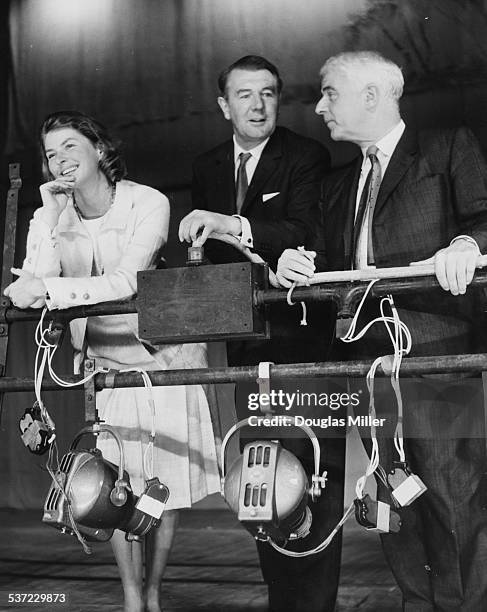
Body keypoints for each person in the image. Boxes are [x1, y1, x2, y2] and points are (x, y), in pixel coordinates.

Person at [277, 51, 487, 611]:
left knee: (453, 495)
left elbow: (483, 219)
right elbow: (318, 254)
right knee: (392, 496)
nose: (319, 107)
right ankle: (416, 604)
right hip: (367, 363)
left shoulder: (445, 148)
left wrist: (469, 246)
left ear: (371, 95)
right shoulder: (338, 182)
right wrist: (294, 262)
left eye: (328, 92)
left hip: (436, 354)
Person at [4, 111, 222, 612]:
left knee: (160, 489)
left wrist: (48, 289)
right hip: (105, 367)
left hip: (164, 360)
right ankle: (130, 596)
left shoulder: (148, 202)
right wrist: (47, 215)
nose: (59, 159)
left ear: (99, 150)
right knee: (114, 487)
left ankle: (153, 591)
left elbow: (128, 281)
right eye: (50, 152)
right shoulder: (58, 214)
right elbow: (32, 282)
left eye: (69, 146)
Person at [179, 56, 345, 612]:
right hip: (248, 350)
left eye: (269, 94)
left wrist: (230, 224)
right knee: (263, 483)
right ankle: (282, 600)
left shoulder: (305, 156)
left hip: (304, 345)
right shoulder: (205, 167)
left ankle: (313, 603)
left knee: (310, 480)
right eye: (245, 95)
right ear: (224, 105)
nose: (258, 105)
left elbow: (303, 229)